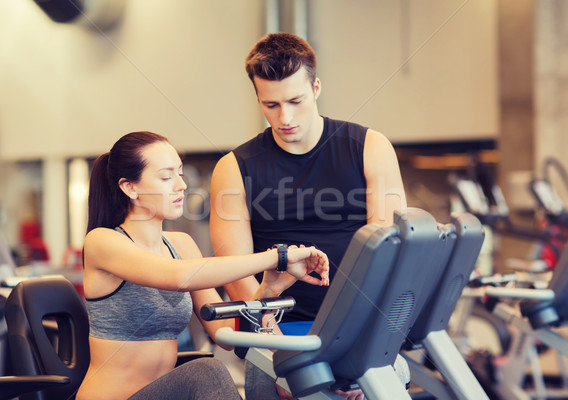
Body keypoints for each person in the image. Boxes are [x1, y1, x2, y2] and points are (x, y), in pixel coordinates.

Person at [209, 33, 407, 400]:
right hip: (275, 331)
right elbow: (235, 273)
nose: (284, 118)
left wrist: (358, 356)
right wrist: (283, 356)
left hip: (360, 330)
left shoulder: (370, 148)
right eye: (270, 105)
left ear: (316, 87)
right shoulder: (234, 168)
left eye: (295, 101)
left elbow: (388, 256)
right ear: (258, 99)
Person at [75, 131, 329, 400]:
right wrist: (277, 257)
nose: (181, 185)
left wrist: (267, 290)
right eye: (166, 176)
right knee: (206, 370)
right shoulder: (102, 241)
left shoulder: (180, 245)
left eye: (179, 173)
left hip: (166, 394)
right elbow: (180, 277)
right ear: (130, 187)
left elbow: (224, 334)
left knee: (263, 370)